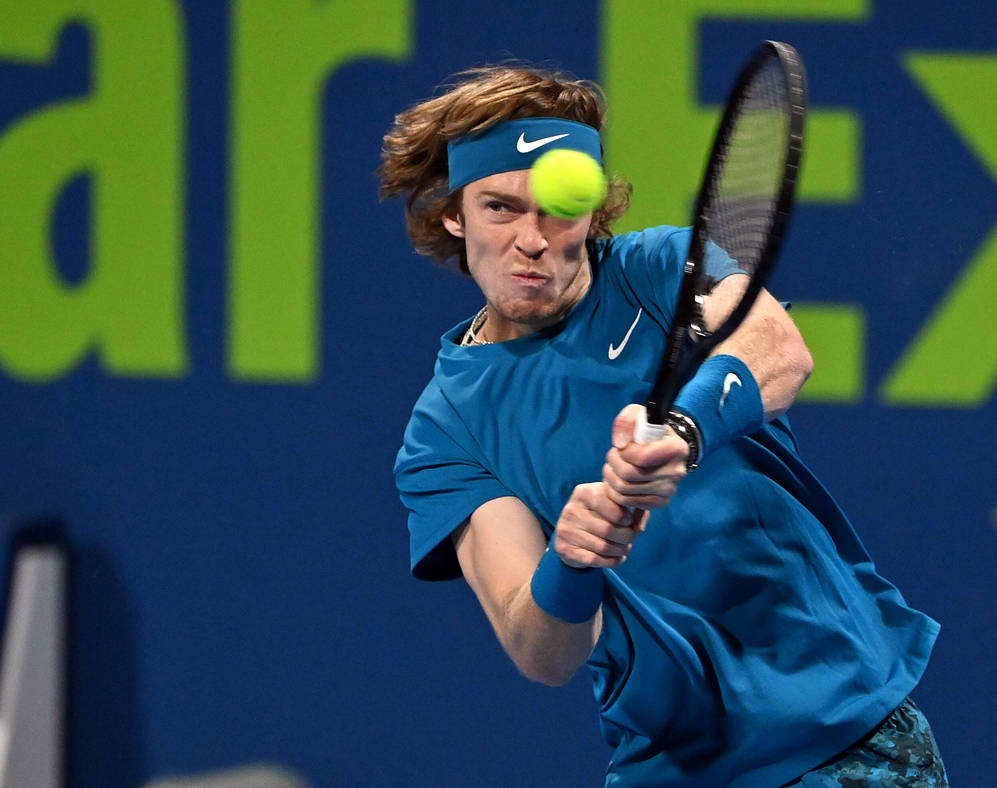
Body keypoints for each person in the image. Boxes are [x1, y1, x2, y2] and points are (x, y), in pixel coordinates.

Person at [380, 64, 947, 787]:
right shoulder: (444, 429)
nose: (532, 239)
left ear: (593, 212)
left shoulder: (660, 270)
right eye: (500, 208)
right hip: (671, 767)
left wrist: (681, 433)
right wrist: (573, 559)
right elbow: (540, 652)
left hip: (845, 730)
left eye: (558, 209)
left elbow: (778, 349)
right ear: (454, 215)